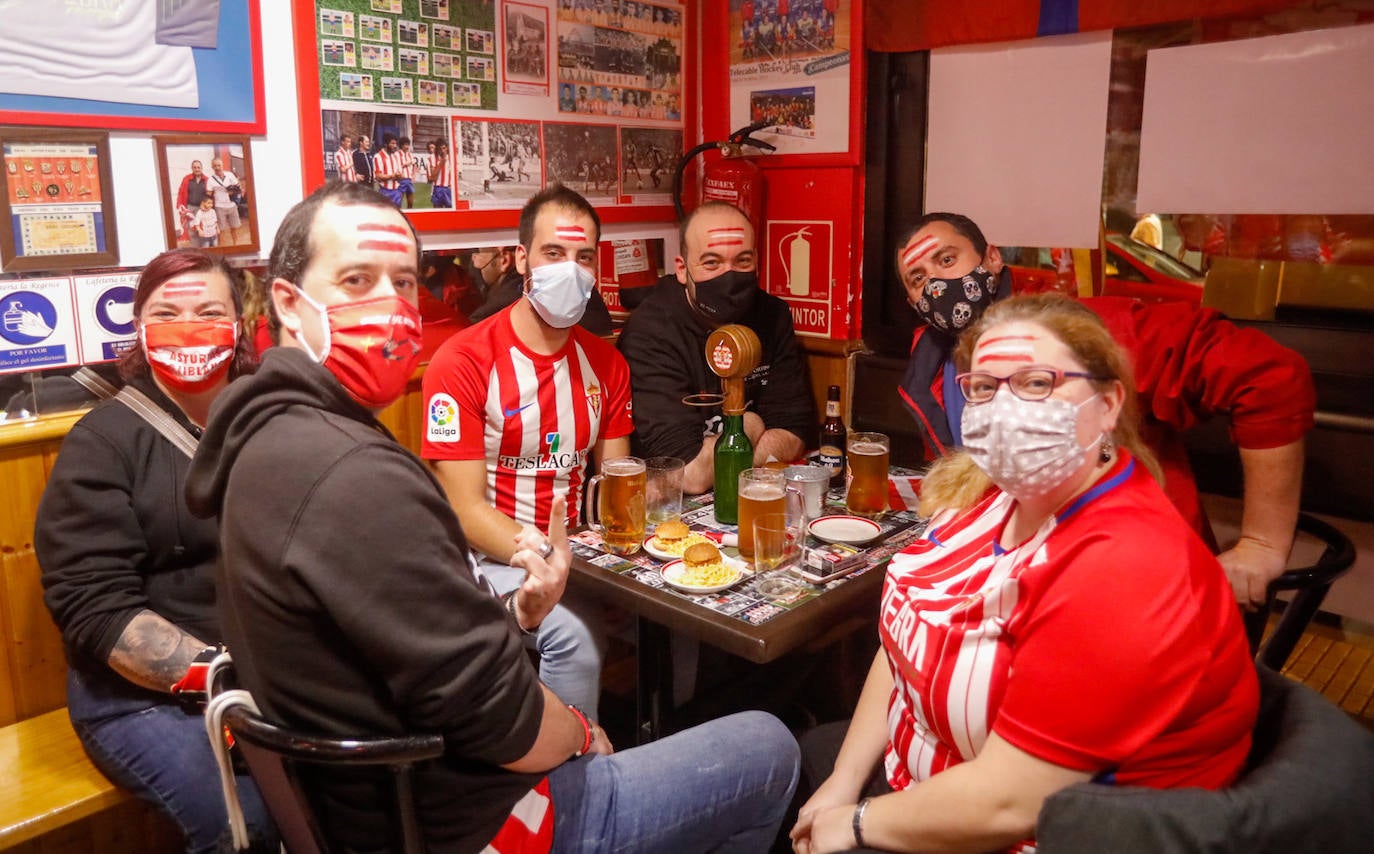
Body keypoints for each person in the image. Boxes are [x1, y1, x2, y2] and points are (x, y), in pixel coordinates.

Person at [184, 180, 799, 853]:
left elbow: (612, 487)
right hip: (473, 811)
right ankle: (608, 786)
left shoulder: (271, 441)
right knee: (757, 737)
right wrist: (576, 736)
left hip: (417, 770)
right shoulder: (367, 462)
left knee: (665, 622)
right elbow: (494, 697)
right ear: (287, 303)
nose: (390, 306)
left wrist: (545, 598)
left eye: (401, 281)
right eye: (357, 279)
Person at [791, 294, 1259, 854]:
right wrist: (843, 782)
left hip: (1009, 833)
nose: (1006, 407)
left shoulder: (1126, 565)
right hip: (910, 777)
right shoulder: (990, 497)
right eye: (984, 388)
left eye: (1037, 383)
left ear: (1108, 404)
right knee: (768, 751)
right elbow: (905, 641)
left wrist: (854, 822)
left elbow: (1008, 804)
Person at [894, 212, 1315, 614]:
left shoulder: (1087, 331)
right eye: (919, 279)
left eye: (947, 260)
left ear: (991, 257)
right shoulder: (930, 364)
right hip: (1005, 577)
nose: (936, 284)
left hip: (1129, 581)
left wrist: (1261, 544)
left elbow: (1270, 376)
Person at [36, 249, 275, 853]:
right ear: (140, 326)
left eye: (209, 310)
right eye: (167, 312)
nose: (188, 325)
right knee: (244, 822)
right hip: (139, 698)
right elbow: (94, 606)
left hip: (277, 671)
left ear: (238, 323)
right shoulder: (103, 442)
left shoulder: (273, 415)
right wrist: (226, 678)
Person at [422, 187, 623, 716]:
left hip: (580, 551)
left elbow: (621, 483)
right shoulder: (462, 360)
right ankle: (572, 776)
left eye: (584, 258)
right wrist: (543, 555)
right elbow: (462, 509)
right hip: (485, 556)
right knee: (575, 637)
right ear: (520, 259)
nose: (570, 270)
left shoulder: (608, 364)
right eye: (553, 254)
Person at [618, 201, 815, 493]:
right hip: (669, 509)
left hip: (747, 491)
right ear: (683, 269)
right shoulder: (652, 331)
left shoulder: (771, 315)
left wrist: (729, 460)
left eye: (743, 261)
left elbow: (795, 432)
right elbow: (690, 474)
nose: (730, 275)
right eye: (712, 262)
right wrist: (749, 424)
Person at [467, 243, 613, 333]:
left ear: (504, 260)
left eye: (478, 253)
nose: (473, 259)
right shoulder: (580, 287)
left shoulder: (506, 301)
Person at [207, 157, 243, 247]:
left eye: (219, 165)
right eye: (215, 166)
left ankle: (236, 245)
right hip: (220, 207)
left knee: (234, 228)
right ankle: (222, 247)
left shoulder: (230, 175)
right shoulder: (210, 179)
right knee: (221, 230)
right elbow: (208, 193)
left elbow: (238, 187)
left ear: (222, 166)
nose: (217, 167)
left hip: (232, 205)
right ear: (212, 167)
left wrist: (234, 194)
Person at [174, 159, 209, 243]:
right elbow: (180, 192)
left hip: (202, 209)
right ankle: (195, 248)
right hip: (190, 208)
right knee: (191, 230)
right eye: (195, 167)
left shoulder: (207, 180)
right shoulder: (187, 179)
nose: (197, 169)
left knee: (202, 228)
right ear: (192, 168)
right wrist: (179, 205)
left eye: (198, 167)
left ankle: (203, 247)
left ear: (201, 168)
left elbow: (210, 195)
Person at [373, 133, 404, 207]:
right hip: (385, 191)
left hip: (396, 191)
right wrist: (393, 176)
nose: (395, 146)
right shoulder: (378, 156)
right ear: (386, 144)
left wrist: (399, 176)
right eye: (392, 143)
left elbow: (401, 175)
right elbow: (378, 176)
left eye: (395, 143)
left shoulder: (395, 156)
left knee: (397, 215)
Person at [428, 137, 453, 208]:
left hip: (448, 188)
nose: (443, 151)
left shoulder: (451, 158)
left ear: (447, 148)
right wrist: (441, 163)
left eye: (444, 148)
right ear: (437, 149)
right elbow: (432, 178)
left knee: (450, 214)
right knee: (437, 213)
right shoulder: (433, 158)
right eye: (440, 149)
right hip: (437, 188)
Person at [397, 135, 416, 209]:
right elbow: (396, 167)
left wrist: (413, 175)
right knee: (399, 201)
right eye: (405, 145)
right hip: (401, 180)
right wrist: (405, 165)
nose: (407, 147)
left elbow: (414, 165)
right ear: (401, 145)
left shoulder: (410, 155)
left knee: (411, 202)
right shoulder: (397, 155)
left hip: (409, 180)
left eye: (408, 144)